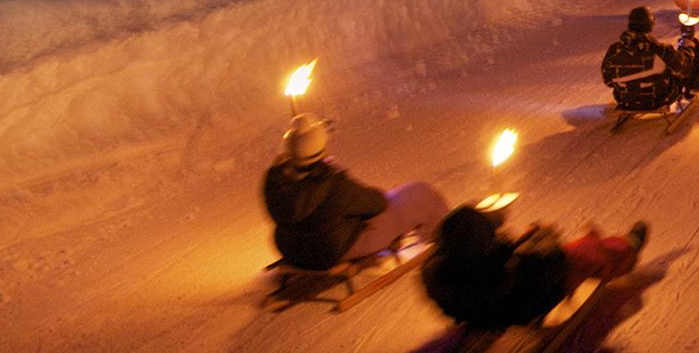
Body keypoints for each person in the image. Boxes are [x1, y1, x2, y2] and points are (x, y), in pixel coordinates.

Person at [262, 113, 449, 271]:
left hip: (292, 249)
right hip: (329, 251)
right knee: (417, 195)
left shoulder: (276, 180)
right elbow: (376, 204)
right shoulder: (332, 182)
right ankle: (446, 240)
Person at [421, 204, 647, 331]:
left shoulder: (439, 271)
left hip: (487, 311)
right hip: (530, 301)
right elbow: (552, 259)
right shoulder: (507, 272)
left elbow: (500, 257)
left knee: (561, 250)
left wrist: (521, 242)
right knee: (588, 252)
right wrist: (542, 235)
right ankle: (627, 247)